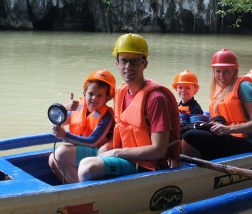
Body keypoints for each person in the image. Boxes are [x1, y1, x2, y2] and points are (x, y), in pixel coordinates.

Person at [52, 33, 181, 183]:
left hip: (147, 164)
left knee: (88, 167)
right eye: (124, 60)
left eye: (135, 61)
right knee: (59, 154)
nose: (128, 66)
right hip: (124, 154)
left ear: (144, 64)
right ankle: (83, 199)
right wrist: (108, 147)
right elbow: (121, 128)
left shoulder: (156, 99)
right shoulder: (121, 92)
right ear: (117, 64)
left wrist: (117, 152)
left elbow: (159, 150)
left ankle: (88, 201)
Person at [181, 48, 252, 160]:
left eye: (226, 71)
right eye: (218, 71)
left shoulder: (244, 87)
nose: (221, 76)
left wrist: (229, 129)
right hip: (229, 136)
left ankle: (195, 172)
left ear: (234, 71)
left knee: (190, 137)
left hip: (249, 143)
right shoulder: (222, 93)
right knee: (182, 132)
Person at [48, 70, 117, 183]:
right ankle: (74, 189)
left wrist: (65, 136)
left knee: (61, 153)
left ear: (107, 98)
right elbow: (57, 119)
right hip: (82, 148)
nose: (94, 98)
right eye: (91, 94)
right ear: (84, 93)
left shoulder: (106, 116)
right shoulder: (79, 107)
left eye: (100, 95)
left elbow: (93, 142)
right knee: (52, 159)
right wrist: (65, 108)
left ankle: (82, 192)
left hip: (98, 152)